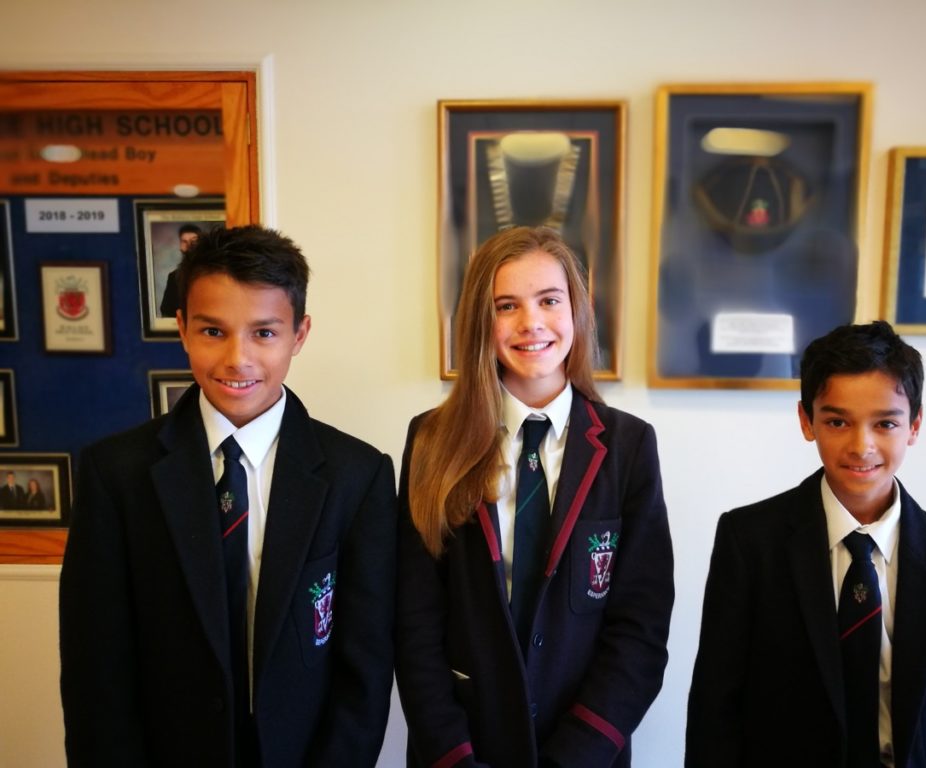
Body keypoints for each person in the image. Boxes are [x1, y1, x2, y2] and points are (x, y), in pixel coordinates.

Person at [60, 225, 397, 767]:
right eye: (213, 331)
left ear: (299, 334)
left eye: (264, 333)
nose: (238, 358)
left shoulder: (358, 475)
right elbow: (94, 668)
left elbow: (366, 666)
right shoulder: (116, 473)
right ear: (183, 329)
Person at [395, 226, 674, 768]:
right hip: (464, 746)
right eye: (506, 306)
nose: (531, 323)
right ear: (481, 320)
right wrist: (455, 756)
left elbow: (640, 630)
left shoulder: (629, 446)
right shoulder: (431, 439)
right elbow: (415, 623)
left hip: (585, 751)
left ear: (578, 311)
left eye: (549, 300)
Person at [686, 320, 926, 767]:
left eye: (885, 423)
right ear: (806, 421)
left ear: (914, 425)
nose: (862, 446)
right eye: (838, 421)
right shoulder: (748, 542)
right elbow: (715, 710)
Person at [159, 223, 203, 317]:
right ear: (180, 246)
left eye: (193, 241)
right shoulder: (173, 277)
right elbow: (166, 310)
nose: (189, 245)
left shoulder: (212, 273)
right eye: (184, 241)